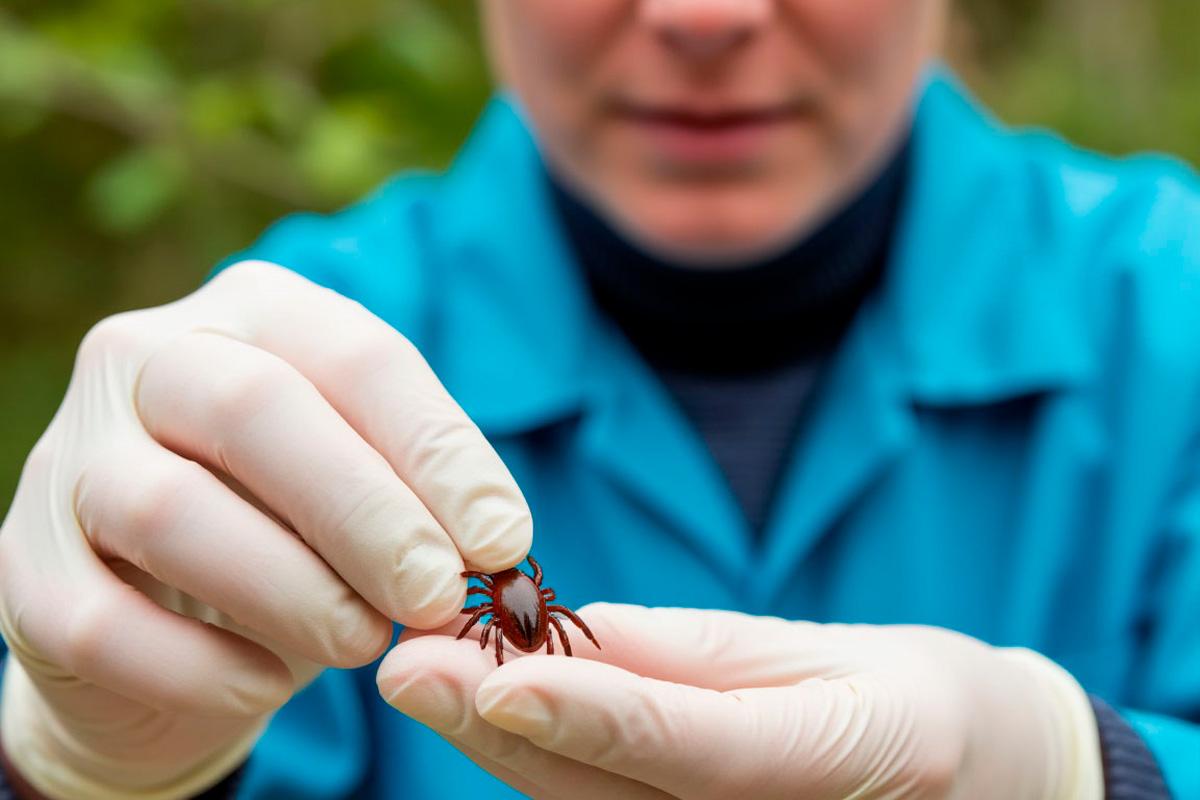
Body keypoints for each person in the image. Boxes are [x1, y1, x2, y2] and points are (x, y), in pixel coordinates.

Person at [1, 1, 1197, 797]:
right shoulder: (276, 357)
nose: (704, 16)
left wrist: (1092, 764)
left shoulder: (1171, 306)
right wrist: (73, 769)